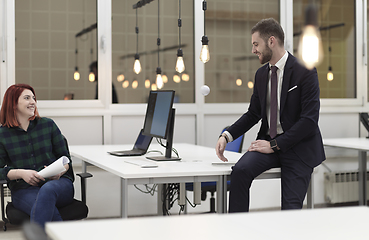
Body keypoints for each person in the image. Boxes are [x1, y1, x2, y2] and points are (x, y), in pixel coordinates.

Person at [216, 18, 325, 212]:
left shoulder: (305, 71)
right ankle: (235, 229)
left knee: (290, 209)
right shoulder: (261, 75)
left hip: (298, 148)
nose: (253, 50)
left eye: (256, 44)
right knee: (240, 172)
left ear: (271, 41)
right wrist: (227, 135)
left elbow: (309, 121)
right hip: (269, 144)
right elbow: (253, 114)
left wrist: (273, 145)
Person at [0, 84, 75, 228]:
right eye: (27, 98)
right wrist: (21, 173)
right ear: (13, 103)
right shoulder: (2, 135)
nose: (33, 102)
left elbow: (65, 159)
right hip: (24, 189)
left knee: (47, 190)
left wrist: (59, 171)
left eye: (34, 98)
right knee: (45, 208)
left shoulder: (48, 125)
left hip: (59, 185)